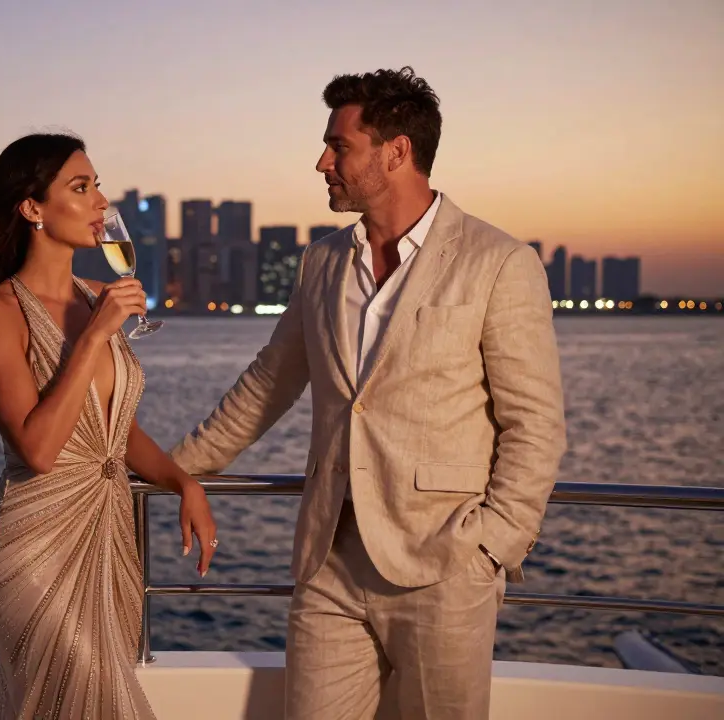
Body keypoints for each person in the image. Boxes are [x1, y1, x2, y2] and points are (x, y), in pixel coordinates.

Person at [169, 67, 567, 719]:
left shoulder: (497, 261)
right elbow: (268, 384)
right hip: (329, 562)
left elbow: (535, 425)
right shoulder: (322, 262)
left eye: (339, 146)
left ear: (396, 151)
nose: (321, 162)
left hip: (445, 563)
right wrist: (169, 467)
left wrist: (492, 546)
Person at [0, 132, 218, 719]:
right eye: (81, 186)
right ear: (32, 208)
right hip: (35, 548)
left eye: (97, 185)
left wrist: (182, 481)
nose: (101, 201)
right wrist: (95, 336)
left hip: (111, 537)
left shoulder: (99, 296)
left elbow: (115, 431)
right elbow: (37, 449)